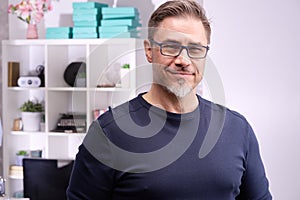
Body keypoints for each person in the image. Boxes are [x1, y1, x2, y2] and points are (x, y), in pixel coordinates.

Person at [67, 0, 272, 199]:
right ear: (149, 51)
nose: (183, 60)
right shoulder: (108, 133)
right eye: (171, 47)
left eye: (196, 49)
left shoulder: (237, 130)